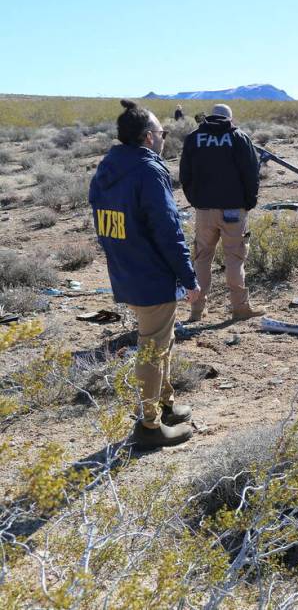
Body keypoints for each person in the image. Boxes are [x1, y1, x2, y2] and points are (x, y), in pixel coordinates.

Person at [89, 100, 201, 449]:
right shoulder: (148, 171)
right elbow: (168, 231)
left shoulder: (108, 167)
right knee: (152, 349)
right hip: (151, 274)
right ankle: (150, 425)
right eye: (162, 132)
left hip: (127, 269)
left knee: (160, 341)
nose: (165, 137)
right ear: (148, 137)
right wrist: (189, 277)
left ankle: (165, 405)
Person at [179, 104, 264, 323]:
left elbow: (185, 175)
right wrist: (249, 202)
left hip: (204, 210)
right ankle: (240, 308)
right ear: (229, 117)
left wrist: (195, 201)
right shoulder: (238, 137)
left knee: (202, 258)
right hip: (234, 209)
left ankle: (197, 310)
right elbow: (251, 173)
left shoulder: (194, 138)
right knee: (234, 258)